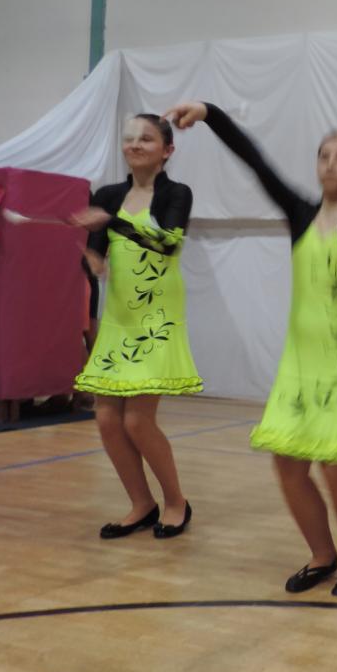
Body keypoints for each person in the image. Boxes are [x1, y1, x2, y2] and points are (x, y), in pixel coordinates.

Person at [166, 100, 337, 596]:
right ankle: (322, 555)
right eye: (324, 155)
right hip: (300, 363)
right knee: (288, 465)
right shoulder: (300, 212)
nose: (331, 163)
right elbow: (254, 160)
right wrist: (209, 113)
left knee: (336, 467)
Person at [72, 113, 202, 540]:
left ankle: (176, 502)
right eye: (129, 138)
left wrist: (111, 222)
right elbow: (94, 254)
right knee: (107, 419)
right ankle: (141, 504)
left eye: (146, 138)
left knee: (138, 422)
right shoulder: (108, 194)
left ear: (167, 150)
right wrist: (92, 259)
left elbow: (167, 244)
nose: (135, 144)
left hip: (156, 318)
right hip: (120, 318)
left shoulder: (177, 193)